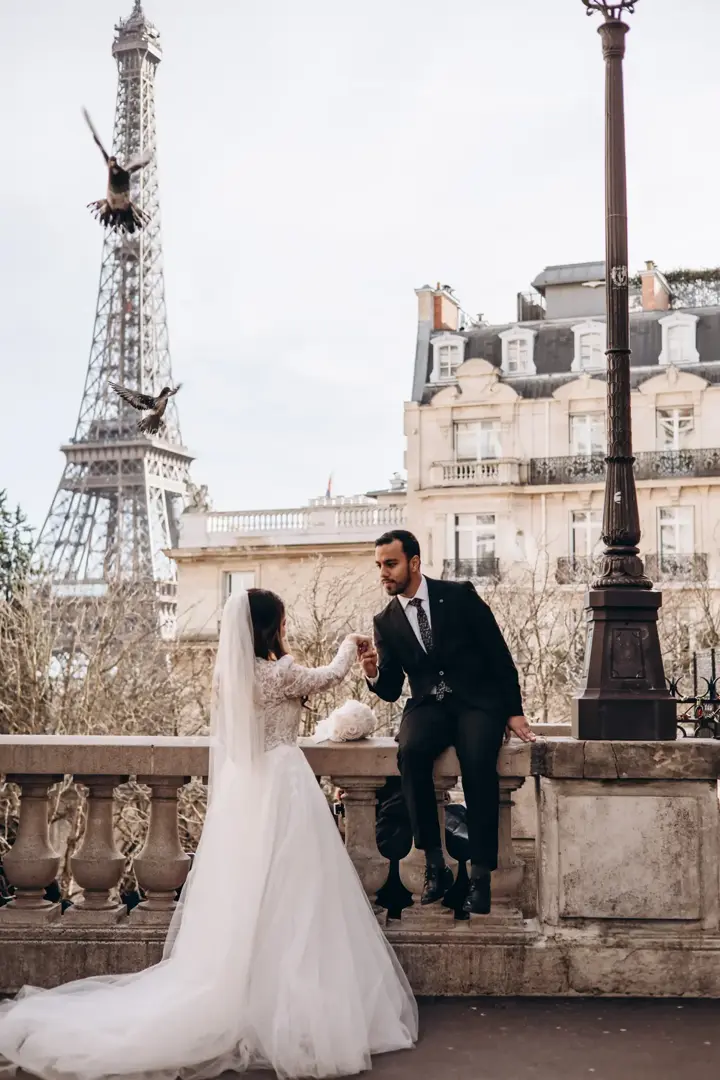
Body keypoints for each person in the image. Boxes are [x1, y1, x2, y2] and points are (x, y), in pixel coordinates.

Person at [0, 589, 417, 1080]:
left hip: (249, 789)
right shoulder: (281, 672)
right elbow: (329, 677)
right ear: (271, 626)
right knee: (297, 895)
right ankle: (289, 1001)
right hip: (284, 785)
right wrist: (351, 642)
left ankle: (247, 994)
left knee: (250, 896)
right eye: (282, 621)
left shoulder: (230, 676)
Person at [361, 530, 535, 916]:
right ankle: (434, 864)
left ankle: (481, 875)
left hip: (477, 701)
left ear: (414, 562)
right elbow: (391, 689)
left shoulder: (459, 596)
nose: (384, 574)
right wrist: (373, 672)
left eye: (390, 564)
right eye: (379, 566)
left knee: (477, 763)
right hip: (428, 705)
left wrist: (513, 709)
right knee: (410, 752)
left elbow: (497, 653)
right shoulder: (385, 621)